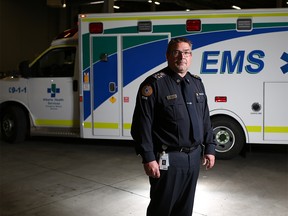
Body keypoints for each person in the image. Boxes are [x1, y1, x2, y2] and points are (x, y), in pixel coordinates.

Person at [131, 37, 216, 216]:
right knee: (162, 208)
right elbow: (142, 124)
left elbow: (205, 118)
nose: (181, 57)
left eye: (186, 52)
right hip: (167, 159)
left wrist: (210, 147)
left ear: (191, 57)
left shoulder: (196, 83)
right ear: (168, 55)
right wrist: (148, 157)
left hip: (193, 158)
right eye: (176, 52)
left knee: (185, 209)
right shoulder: (154, 84)